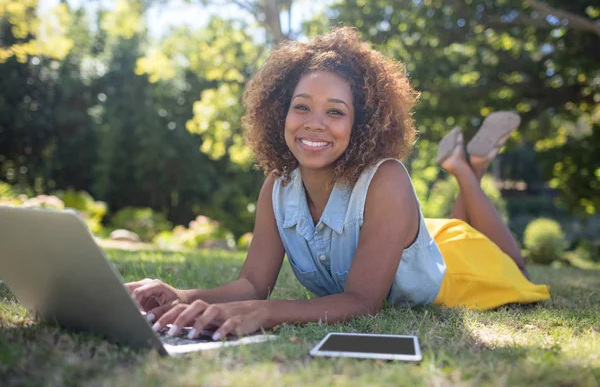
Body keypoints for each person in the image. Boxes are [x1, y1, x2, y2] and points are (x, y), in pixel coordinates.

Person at [126, 28, 550, 341]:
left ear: (360, 123)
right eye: (302, 107)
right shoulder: (278, 184)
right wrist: (179, 294)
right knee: (455, 229)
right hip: (408, 237)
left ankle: (464, 166)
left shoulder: (386, 179)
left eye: (335, 112)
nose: (314, 123)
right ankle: (468, 166)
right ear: (280, 115)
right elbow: (253, 284)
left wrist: (263, 313)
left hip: (457, 272)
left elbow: (363, 301)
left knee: (515, 267)